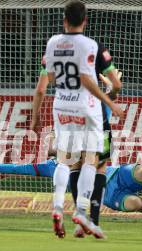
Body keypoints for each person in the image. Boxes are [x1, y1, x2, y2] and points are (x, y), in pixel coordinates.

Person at [43, 0, 123, 237]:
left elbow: (52, 78)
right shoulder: (91, 45)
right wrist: (110, 98)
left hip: (61, 104)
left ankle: (57, 207)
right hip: (86, 107)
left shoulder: (52, 42)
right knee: (91, 159)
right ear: (85, 20)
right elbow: (93, 80)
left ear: (64, 20)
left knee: (64, 160)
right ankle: (80, 211)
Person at [0, 156, 142, 238]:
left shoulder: (84, 138)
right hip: (109, 194)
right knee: (138, 204)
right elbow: (19, 168)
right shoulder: (53, 166)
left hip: (117, 174)